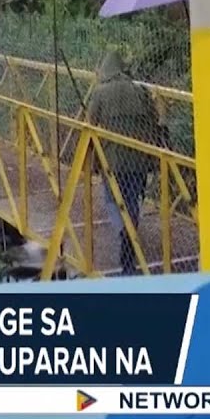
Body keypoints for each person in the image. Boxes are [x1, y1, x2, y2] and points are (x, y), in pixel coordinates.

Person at [85, 49, 166, 275]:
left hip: (114, 162)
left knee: (113, 199)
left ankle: (124, 233)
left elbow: (89, 126)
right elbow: (153, 123)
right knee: (132, 200)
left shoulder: (100, 93)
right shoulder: (141, 91)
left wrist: (88, 162)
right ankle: (129, 234)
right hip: (139, 160)